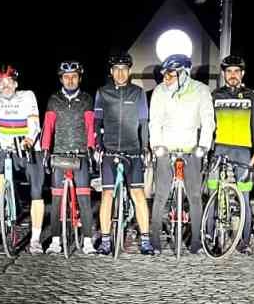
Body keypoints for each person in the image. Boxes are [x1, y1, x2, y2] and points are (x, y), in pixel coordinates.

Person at [149, 53, 216, 254]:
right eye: (164, 75)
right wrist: (157, 146)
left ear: (183, 73)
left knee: (195, 196)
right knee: (160, 195)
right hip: (166, 148)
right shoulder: (160, 91)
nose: (165, 79)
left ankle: (197, 243)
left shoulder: (201, 90)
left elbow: (208, 121)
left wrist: (203, 146)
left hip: (191, 149)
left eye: (170, 75)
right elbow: (155, 121)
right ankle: (154, 242)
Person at [0, 64, 46, 249]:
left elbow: (34, 122)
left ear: (16, 84)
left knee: (37, 194)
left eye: (9, 82)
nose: (5, 86)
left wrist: (30, 139)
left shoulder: (27, 95)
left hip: (30, 149)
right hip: (8, 150)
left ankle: (35, 239)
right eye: (1, 83)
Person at [94, 53, 155, 255]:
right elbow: (97, 122)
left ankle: (145, 240)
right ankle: (105, 241)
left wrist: (145, 147)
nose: (120, 73)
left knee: (138, 193)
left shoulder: (138, 93)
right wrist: (98, 145)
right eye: (116, 69)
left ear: (129, 72)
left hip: (133, 151)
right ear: (111, 72)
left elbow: (144, 123)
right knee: (107, 194)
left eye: (124, 69)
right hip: (110, 150)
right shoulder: (102, 93)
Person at [40, 61, 99, 255]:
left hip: (80, 153)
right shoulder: (53, 100)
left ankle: (88, 241)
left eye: (74, 76)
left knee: (84, 198)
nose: (70, 79)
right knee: (57, 200)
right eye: (66, 76)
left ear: (80, 78)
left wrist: (91, 148)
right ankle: (56, 241)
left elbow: (90, 126)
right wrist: (45, 149)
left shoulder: (86, 99)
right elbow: (47, 127)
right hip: (59, 154)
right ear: (61, 79)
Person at [209, 55, 254, 253]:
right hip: (220, 148)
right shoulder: (215, 95)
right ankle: (212, 236)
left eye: (236, 71)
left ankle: (244, 241)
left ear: (242, 74)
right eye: (229, 71)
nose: (232, 75)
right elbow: (209, 125)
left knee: (244, 195)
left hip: (242, 150)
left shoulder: (251, 95)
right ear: (223, 74)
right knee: (214, 191)